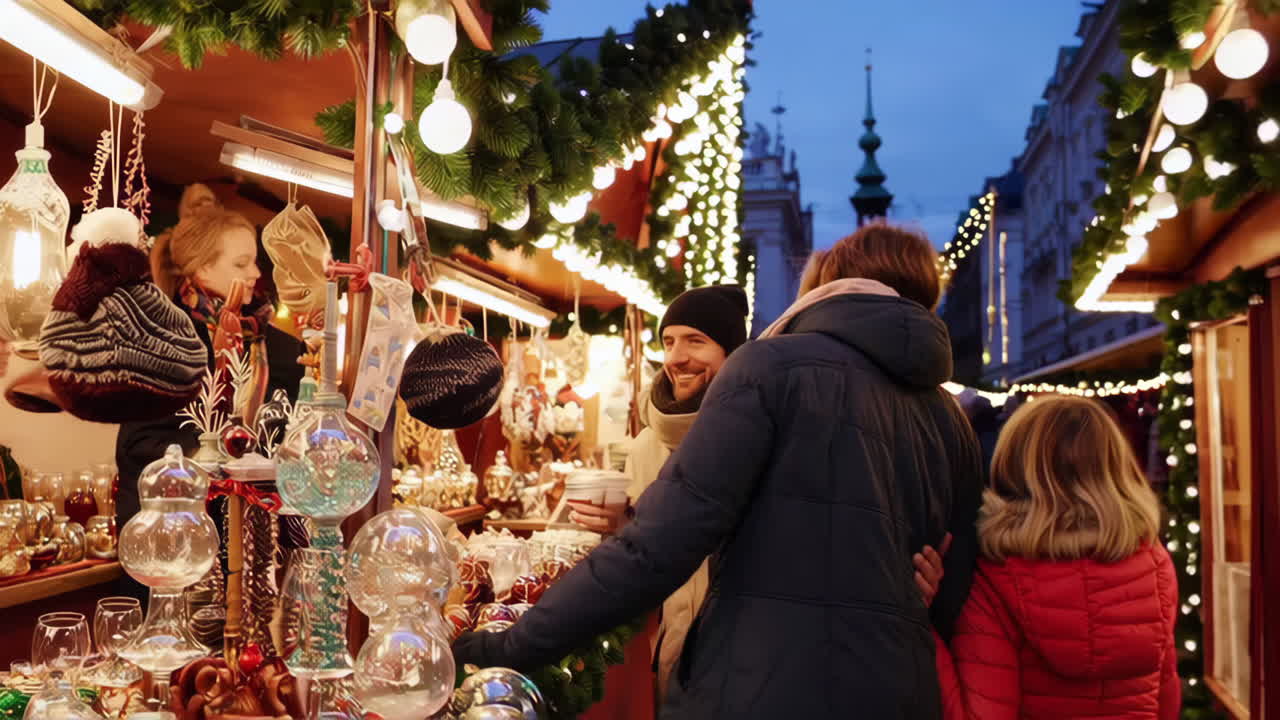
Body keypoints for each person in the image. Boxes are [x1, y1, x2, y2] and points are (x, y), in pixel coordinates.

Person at [455, 222, 984, 719]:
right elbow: (954, 589)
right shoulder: (948, 418)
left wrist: (507, 645)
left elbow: (656, 548)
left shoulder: (770, 369)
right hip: (899, 694)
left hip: (760, 689)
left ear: (824, 283)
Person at [933, 396, 1179, 720]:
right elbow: (1166, 698)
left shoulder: (997, 577)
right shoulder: (1154, 564)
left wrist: (924, 629)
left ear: (1014, 465)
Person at [115, 185, 307, 599]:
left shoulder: (287, 352)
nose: (256, 274)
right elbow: (137, 447)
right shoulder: (163, 343)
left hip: (265, 551)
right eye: (242, 264)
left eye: (255, 261)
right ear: (201, 270)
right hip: (178, 557)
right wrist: (221, 452)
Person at [568, 284, 749, 705]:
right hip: (670, 655)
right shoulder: (645, 444)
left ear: (733, 353)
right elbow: (644, 565)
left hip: (739, 660)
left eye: (696, 341)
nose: (675, 357)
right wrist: (620, 530)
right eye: (669, 341)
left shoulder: (754, 434)